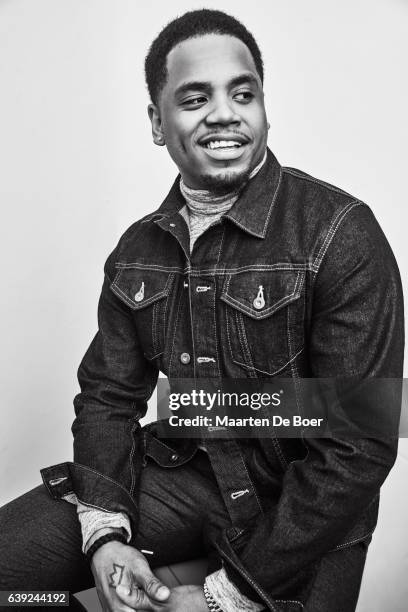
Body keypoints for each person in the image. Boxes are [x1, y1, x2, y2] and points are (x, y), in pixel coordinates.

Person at [0, 9, 404, 612]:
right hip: (190, 472)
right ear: (157, 123)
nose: (224, 112)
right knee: (12, 577)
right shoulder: (138, 251)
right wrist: (104, 533)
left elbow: (359, 445)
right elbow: (110, 394)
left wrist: (225, 595)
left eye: (244, 93)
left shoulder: (341, 232)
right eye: (194, 97)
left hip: (306, 511)